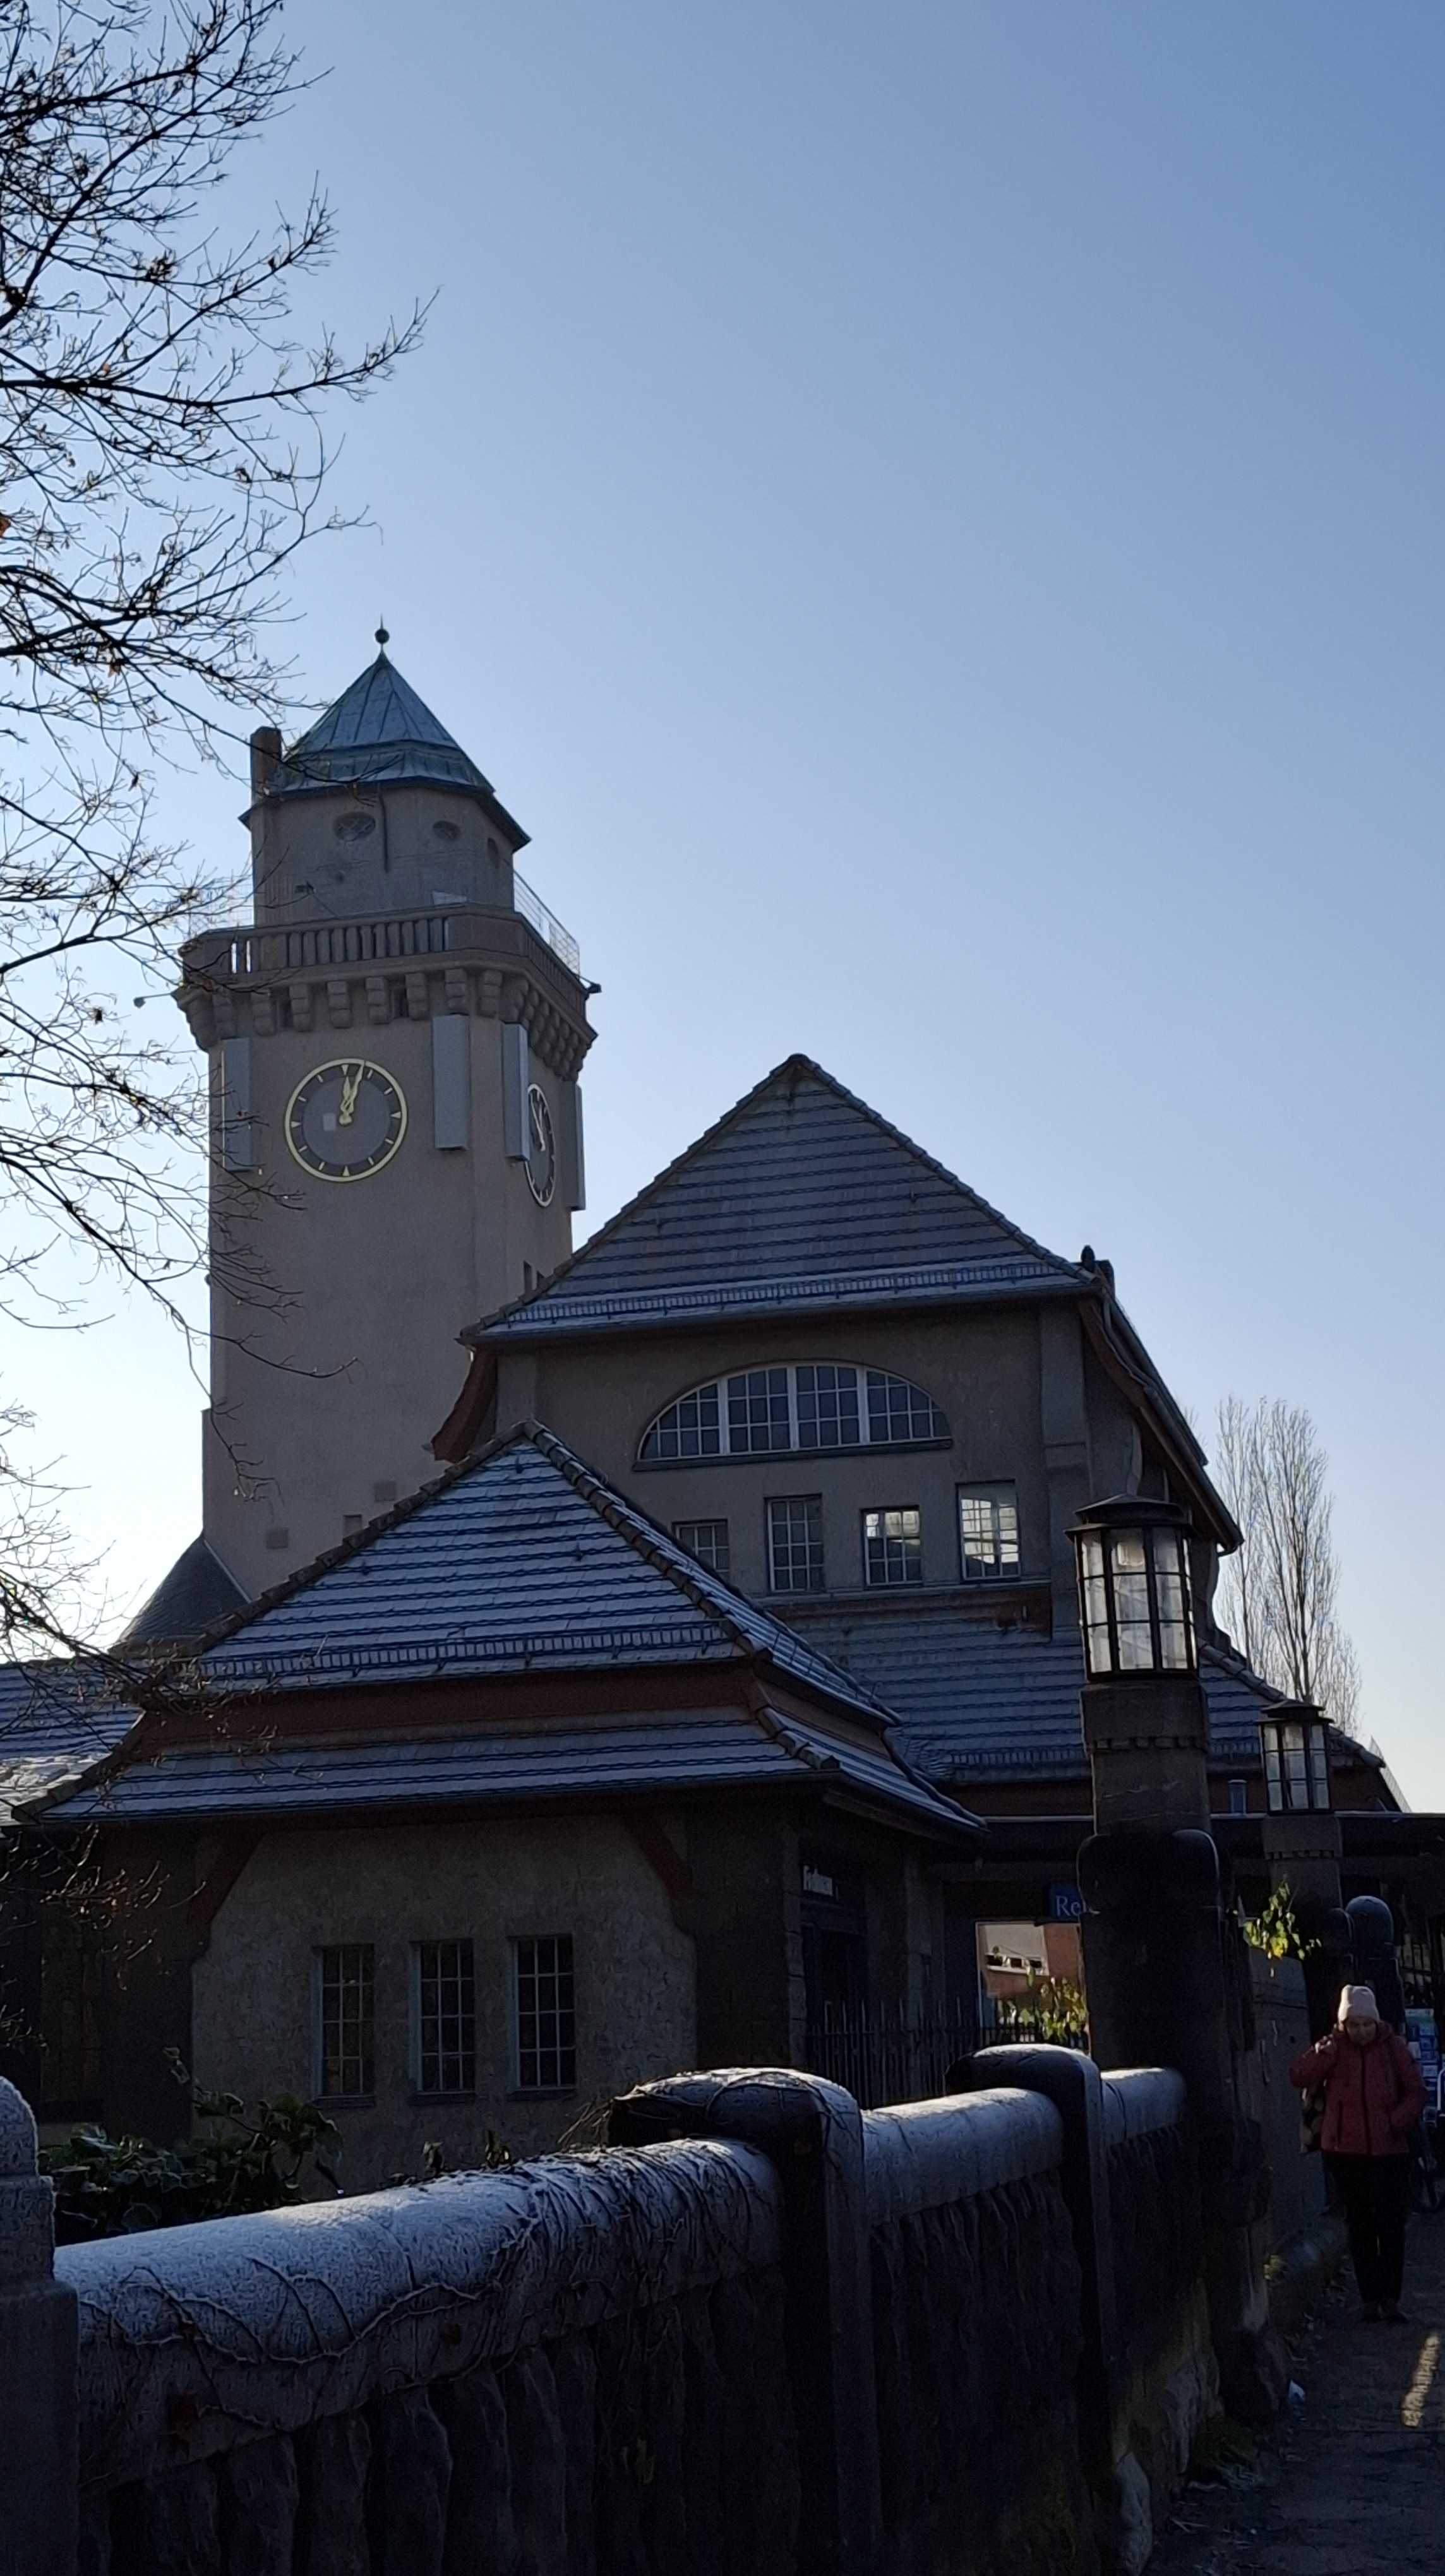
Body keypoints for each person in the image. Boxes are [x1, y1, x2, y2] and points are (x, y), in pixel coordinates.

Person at [1290, 1982, 1427, 2322]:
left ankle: (1391, 2299)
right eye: (1355, 2025)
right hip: (1346, 2151)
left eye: (1367, 2024)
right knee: (1360, 2225)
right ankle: (1369, 2299)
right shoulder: (1333, 2048)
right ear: (1344, 2023)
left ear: (1376, 2021)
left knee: (1391, 2225)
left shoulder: (1393, 2048)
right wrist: (1325, 2053)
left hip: (1390, 2150)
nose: (1362, 2031)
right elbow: (1298, 2075)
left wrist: (1395, 2122)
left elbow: (1416, 2091)